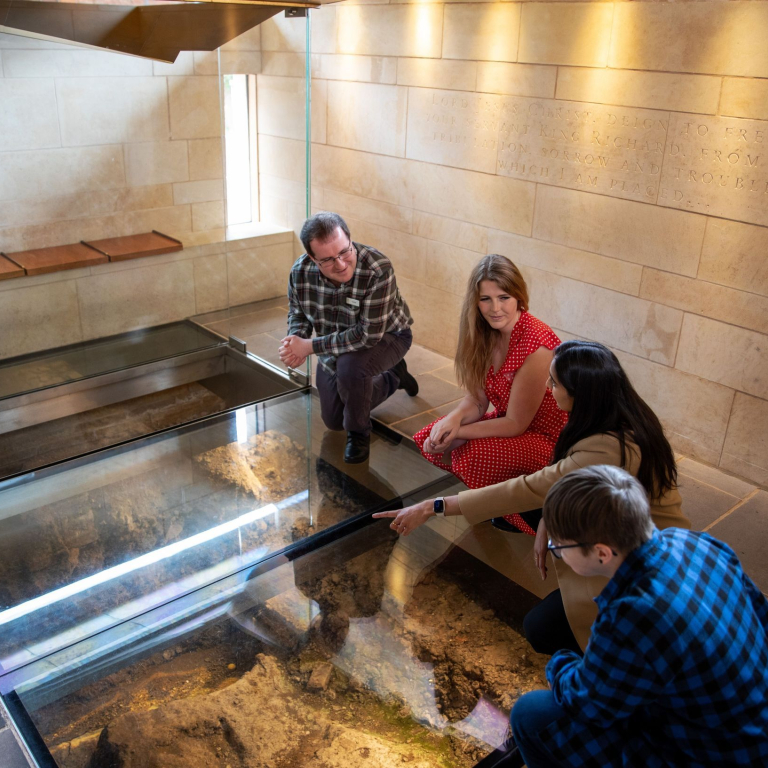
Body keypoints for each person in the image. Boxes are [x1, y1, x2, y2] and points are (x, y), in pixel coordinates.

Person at [373, 340, 691, 653]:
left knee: (540, 630)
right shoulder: (616, 414)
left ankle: (611, 648)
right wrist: (548, 520)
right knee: (531, 509)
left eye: (554, 383)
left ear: (580, 392)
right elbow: (557, 480)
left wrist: (433, 506)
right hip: (617, 521)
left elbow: (529, 488)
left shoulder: (607, 445)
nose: (549, 389)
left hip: (643, 561)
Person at [490, 465, 768, 768]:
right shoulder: (695, 541)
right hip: (752, 717)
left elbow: (587, 703)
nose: (556, 552)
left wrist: (562, 661)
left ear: (602, 553)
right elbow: (761, 615)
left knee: (530, 713)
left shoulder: (633, 613)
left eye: (558, 547)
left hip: (715, 753)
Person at [413, 255, 567, 536]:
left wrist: (460, 431)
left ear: (519, 297)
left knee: (473, 455)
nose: (495, 309)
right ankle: (490, 500)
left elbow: (515, 424)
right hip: (513, 423)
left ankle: (511, 507)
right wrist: (454, 419)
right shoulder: (485, 334)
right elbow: (477, 400)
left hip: (548, 439)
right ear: (475, 301)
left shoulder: (537, 346)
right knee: (431, 438)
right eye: (486, 299)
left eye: (504, 297)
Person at [280, 212, 418, 464]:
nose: (341, 264)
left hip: (388, 336)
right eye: (328, 260)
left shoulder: (378, 269)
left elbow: (367, 336)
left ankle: (359, 433)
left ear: (350, 239)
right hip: (335, 346)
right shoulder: (299, 272)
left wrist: (309, 346)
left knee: (351, 368)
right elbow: (298, 314)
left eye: (345, 252)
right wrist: (295, 342)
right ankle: (394, 377)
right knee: (334, 420)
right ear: (312, 258)